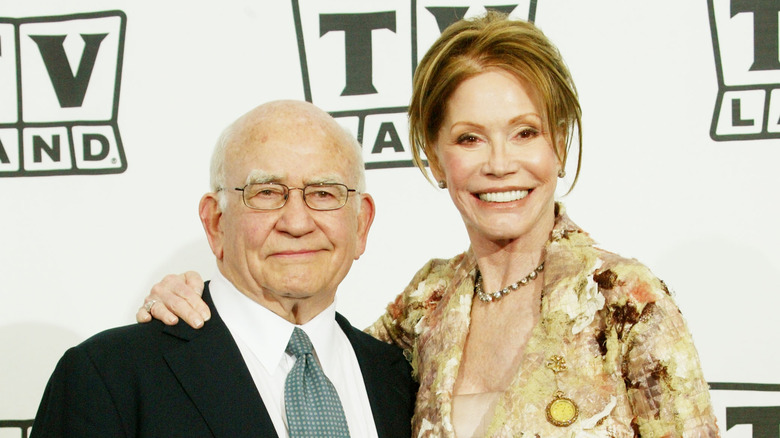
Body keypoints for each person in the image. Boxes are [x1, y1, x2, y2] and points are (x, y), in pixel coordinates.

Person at [138, 12, 720, 437]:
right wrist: (198, 307)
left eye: (525, 132)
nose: (499, 163)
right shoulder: (427, 305)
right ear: (437, 157)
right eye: (469, 138)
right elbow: (304, 348)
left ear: (558, 146)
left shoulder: (626, 302)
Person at [31, 100, 417, 438]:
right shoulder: (109, 377)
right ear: (216, 222)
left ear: (361, 224)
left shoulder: (400, 378)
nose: (297, 222)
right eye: (266, 192)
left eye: (323, 193)